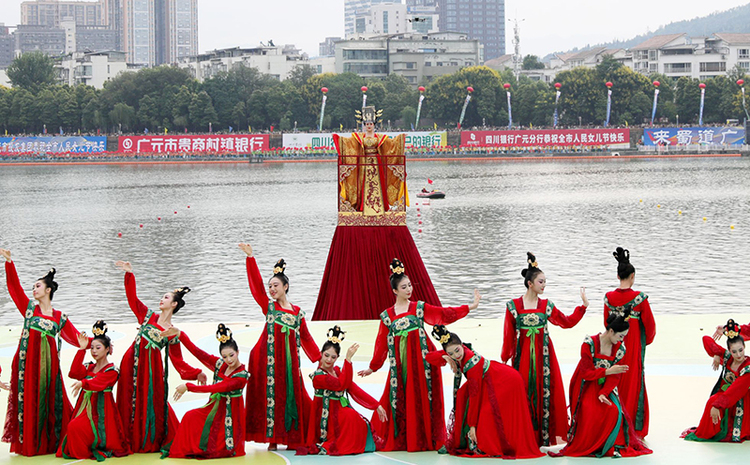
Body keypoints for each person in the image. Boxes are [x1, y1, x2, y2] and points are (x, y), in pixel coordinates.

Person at [358, 258, 481, 452]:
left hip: (423, 365)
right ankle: (406, 439)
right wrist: (372, 368)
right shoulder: (387, 316)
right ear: (395, 291)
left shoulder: (419, 308)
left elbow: (443, 314)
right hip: (401, 367)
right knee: (400, 399)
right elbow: (381, 344)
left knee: (425, 399)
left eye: (409, 286)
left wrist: (470, 307)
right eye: (404, 287)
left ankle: (425, 438)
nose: (409, 290)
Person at [1, 249, 90, 456]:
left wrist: (98, 341)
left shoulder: (59, 317)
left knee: (49, 402)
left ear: (48, 290)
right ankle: (29, 445)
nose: (34, 290)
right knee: (29, 402)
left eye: (37, 286)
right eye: (33, 287)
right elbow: (14, 288)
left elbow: (77, 338)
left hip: (49, 368)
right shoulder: (29, 309)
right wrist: (9, 262)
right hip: (27, 365)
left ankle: (49, 443)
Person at [113, 260, 206, 453]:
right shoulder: (148, 317)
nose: (161, 300)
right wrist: (129, 274)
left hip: (151, 371)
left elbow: (177, 360)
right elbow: (132, 300)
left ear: (173, 304)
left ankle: (146, 439)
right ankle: (126, 436)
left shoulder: (172, 332)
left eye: (165, 298)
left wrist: (196, 373)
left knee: (149, 402)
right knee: (127, 399)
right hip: (131, 364)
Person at [501, 252, 589, 446]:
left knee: (546, 392)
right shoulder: (513, 306)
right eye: (541, 282)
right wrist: (506, 358)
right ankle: (525, 437)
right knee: (524, 392)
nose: (544, 285)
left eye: (545, 282)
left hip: (544, 358)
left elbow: (565, 322)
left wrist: (582, 307)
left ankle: (545, 437)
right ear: (530, 283)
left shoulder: (546, 305)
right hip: (522, 358)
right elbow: (508, 335)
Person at [239, 243, 321, 450]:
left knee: (291, 395)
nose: (272, 289)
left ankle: (291, 435)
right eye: (270, 286)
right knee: (270, 397)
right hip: (266, 361)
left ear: (285, 287)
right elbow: (256, 286)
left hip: (289, 363)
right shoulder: (269, 307)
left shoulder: (297, 313)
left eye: (276, 285)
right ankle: (273, 438)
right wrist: (250, 258)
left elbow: (307, 339)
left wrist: (321, 359)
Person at [426, 325, 543, 459]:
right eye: (451, 353)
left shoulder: (472, 365)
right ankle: (459, 439)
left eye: (457, 351)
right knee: (462, 396)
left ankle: (481, 442)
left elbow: (475, 397)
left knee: (486, 415)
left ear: (461, 345)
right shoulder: (462, 350)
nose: (456, 356)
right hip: (488, 381)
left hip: (505, 381)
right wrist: (445, 357)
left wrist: (472, 426)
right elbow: (429, 357)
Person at [553, 311, 652, 457]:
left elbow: (615, 376)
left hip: (606, 387)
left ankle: (611, 444)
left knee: (613, 411)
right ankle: (589, 444)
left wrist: (604, 392)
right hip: (586, 384)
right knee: (589, 409)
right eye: (620, 336)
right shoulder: (589, 343)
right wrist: (606, 372)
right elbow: (586, 372)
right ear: (611, 331)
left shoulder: (620, 349)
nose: (621, 340)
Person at [299, 326, 385, 456]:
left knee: (360, 421)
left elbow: (353, 388)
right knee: (351, 418)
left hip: (339, 410)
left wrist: (376, 405)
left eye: (333, 357)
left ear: (337, 357)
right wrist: (348, 360)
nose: (329, 360)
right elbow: (341, 385)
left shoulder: (338, 372)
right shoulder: (318, 376)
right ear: (321, 353)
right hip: (326, 415)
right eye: (326, 355)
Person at [165, 324, 249, 458]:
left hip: (229, 414)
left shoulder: (241, 376)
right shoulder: (221, 365)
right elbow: (198, 353)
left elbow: (215, 388)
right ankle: (186, 448)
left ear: (238, 352)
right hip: (214, 408)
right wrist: (180, 335)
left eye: (231, 355)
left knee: (194, 420)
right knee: (189, 416)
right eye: (225, 356)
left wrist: (189, 387)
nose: (229, 360)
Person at [57, 321, 130, 460]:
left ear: (107, 349)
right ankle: (82, 449)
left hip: (102, 411)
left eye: (98, 347)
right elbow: (73, 373)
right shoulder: (89, 367)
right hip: (85, 408)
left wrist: (84, 383)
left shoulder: (112, 370)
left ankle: (86, 450)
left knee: (75, 427)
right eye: (91, 348)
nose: (94, 351)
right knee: (73, 427)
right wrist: (81, 349)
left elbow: (99, 383)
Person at [603, 247, 655, 438]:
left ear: (618, 276)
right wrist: (644, 343)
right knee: (634, 383)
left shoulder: (609, 298)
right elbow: (650, 327)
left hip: (614, 346)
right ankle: (634, 427)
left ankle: (613, 423)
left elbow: (606, 323)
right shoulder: (640, 298)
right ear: (632, 276)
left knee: (614, 380)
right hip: (632, 346)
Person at [683, 320, 750, 442]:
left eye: (741, 350)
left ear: (744, 347)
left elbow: (735, 391)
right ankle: (708, 432)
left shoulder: (747, 368)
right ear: (729, 350)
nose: (739, 354)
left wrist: (718, 405)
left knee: (714, 401)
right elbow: (706, 339)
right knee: (712, 401)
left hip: (742, 401)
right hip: (728, 397)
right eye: (734, 351)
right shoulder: (728, 358)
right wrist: (716, 354)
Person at [333, 105, 408, 216]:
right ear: (364, 125)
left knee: (378, 185)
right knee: (364, 185)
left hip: (376, 164)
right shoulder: (359, 137)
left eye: (371, 124)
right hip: (364, 164)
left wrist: (401, 138)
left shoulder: (379, 137)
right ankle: (364, 207)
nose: (369, 126)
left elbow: (391, 145)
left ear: (374, 125)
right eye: (367, 124)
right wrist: (337, 138)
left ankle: (380, 207)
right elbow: (349, 144)